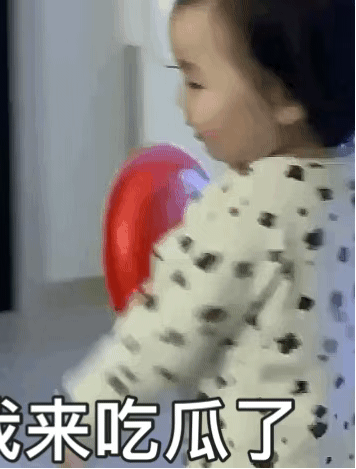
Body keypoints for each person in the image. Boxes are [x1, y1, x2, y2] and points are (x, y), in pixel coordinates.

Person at [60, 0, 355, 467]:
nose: (182, 103)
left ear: (284, 95)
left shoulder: (241, 210)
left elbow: (161, 335)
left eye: (195, 82)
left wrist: (85, 416)